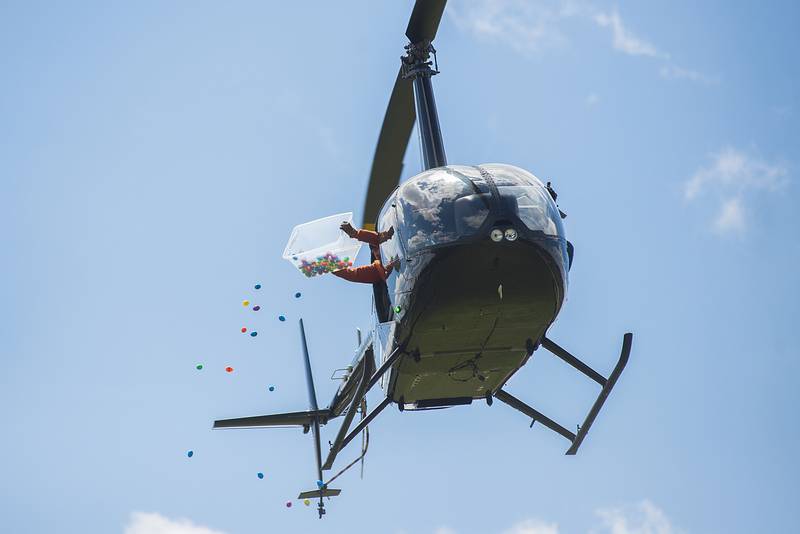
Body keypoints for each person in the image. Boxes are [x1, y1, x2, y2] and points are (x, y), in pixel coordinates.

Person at [332, 222, 399, 284]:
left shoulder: (398, 227)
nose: (376, 250)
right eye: (374, 248)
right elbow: (353, 274)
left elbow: (378, 238)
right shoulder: (378, 271)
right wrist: (332, 266)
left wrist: (355, 233)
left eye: (376, 246)